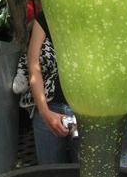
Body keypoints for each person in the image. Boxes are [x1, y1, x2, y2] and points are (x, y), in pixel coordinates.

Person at [27, 11, 79, 164]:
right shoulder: (49, 13)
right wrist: (45, 112)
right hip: (51, 107)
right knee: (51, 170)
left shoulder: (97, 8)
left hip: (85, 110)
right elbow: (33, 61)